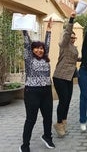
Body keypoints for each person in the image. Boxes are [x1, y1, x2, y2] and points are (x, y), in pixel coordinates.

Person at [19, 18, 55, 152]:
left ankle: (47, 137)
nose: (39, 50)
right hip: (32, 92)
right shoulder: (29, 58)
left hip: (46, 91)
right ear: (32, 50)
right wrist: (24, 29)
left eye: (41, 48)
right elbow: (27, 43)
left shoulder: (45, 57)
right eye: (36, 48)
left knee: (48, 117)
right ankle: (25, 145)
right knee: (31, 119)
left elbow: (47, 44)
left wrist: (49, 30)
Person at [52, 11, 79, 137]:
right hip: (60, 76)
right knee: (63, 101)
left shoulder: (74, 48)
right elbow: (68, 32)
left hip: (69, 77)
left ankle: (63, 122)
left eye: (74, 38)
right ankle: (58, 123)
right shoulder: (64, 44)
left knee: (67, 101)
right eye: (71, 37)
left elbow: (74, 59)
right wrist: (71, 19)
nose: (72, 39)